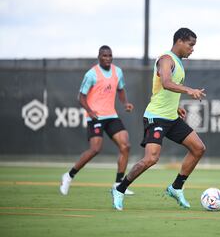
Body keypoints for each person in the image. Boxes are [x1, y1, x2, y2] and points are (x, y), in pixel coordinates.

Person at [111, 28, 206, 211]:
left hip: (171, 117)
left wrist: (175, 106)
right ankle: (120, 189)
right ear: (179, 41)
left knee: (198, 148)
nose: (192, 49)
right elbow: (166, 83)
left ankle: (176, 187)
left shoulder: (177, 62)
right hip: (156, 118)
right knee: (151, 159)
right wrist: (189, 90)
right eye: (191, 44)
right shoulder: (166, 59)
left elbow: (160, 91)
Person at [60, 45, 135, 196]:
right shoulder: (91, 74)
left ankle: (118, 184)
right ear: (99, 57)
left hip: (111, 116)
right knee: (95, 149)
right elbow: (81, 97)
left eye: (109, 56)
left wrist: (125, 102)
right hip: (96, 117)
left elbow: (120, 89)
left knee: (125, 146)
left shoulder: (117, 71)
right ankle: (69, 175)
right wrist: (89, 111)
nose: (107, 58)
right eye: (104, 56)